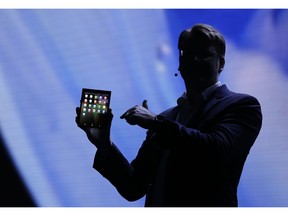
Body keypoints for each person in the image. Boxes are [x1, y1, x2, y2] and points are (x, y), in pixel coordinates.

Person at [75, 23, 262, 207]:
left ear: (221, 63)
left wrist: (155, 122)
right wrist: (104, 144)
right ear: (179, 63)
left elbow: (216, 150)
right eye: (187, 54)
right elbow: (133, 188)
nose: (194, 60)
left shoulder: (243, 106)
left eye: (204, 54)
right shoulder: (167, 118)